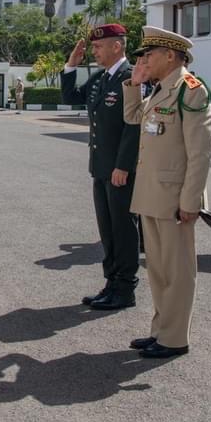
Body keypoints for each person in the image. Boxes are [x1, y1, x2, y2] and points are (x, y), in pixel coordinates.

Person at [122, 26, 211, 359]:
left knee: (177, 272)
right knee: (159, 271)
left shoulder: (190, 90)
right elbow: (133, 117)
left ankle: (175, 338)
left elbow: (200, 152)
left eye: (149, 55)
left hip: (175, 199)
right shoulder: (160, 90)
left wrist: (191, 202)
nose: (144, 60)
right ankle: (160, 331)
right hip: (151, 195)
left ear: (170, 55)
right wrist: (134, 83)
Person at [61, 24, 140, 310]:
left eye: (98, 46)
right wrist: (71, 66)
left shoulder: (131, 77)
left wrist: (124, 165)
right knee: (108, 231)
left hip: (121, 170)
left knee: (124, 230)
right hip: (101, 167)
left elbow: (135, 126)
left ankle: (125, 288)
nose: (93, 51)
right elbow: (71, 98)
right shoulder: (101, 78)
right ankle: (111, 283)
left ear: (116, 46)